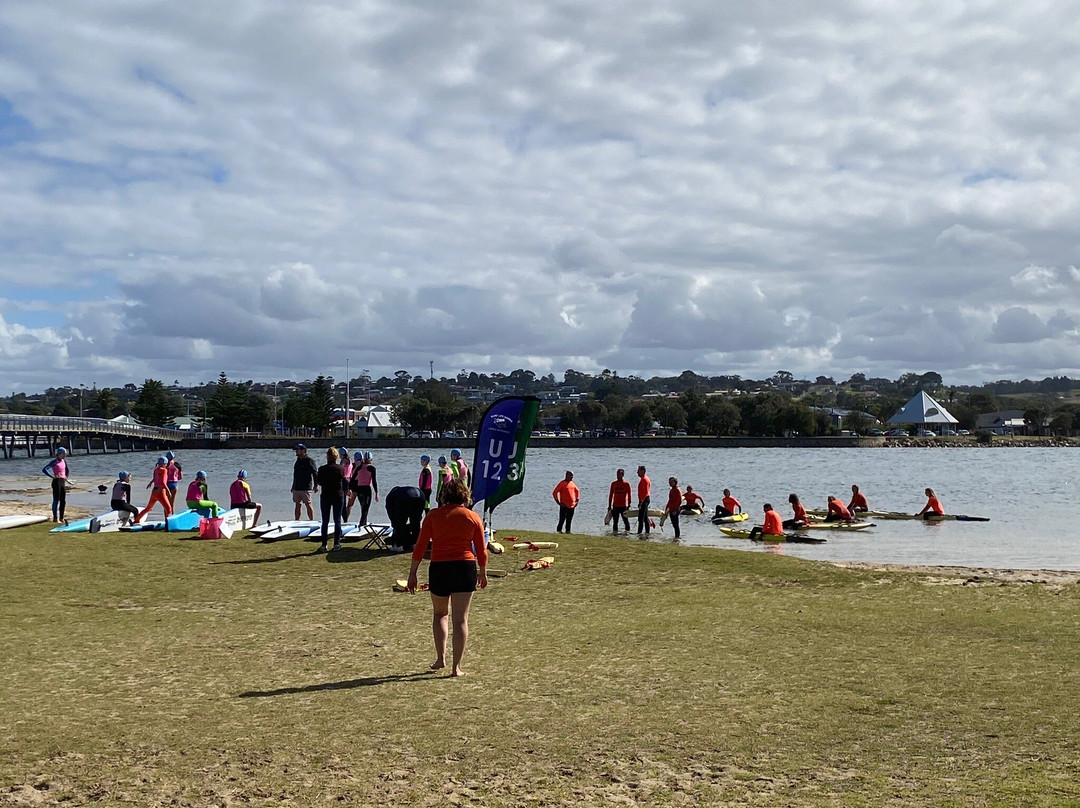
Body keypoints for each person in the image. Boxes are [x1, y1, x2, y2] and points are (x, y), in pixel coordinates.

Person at [407, 479, 488, 678]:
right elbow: (481, 549)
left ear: (444, 495)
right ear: (465, 496)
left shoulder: (433, 516)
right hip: (464, 567)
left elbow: (420, 546)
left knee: (440, 614)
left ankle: (440, 658)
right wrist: (483, 571)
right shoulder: (473, 517)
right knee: (460, 619)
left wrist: (413, 573)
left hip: (440, 568)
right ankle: (456, 667)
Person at [316, 447, 345, 553]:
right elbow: (344, 480)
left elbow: (319, 482)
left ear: (327, 456)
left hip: (326, 495)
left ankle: (324, 545)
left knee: (325, 521)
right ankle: (337, 543)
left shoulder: (322, 469)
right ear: (336, 456)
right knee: (337, 520)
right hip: (338, 495)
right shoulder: (340, 468)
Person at [385, 485, 427, 553]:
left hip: (405, 498)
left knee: (400, 523)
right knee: (415, 523)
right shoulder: (395, 494)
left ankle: (399, 546)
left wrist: (395, 525)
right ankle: (415, 544)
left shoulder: (390, 500)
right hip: (420, 495)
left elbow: (393, 518)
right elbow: (418, 518)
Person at [137, 456, 174, 522]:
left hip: (154, 491)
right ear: (164, 463)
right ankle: (169, 524)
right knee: (169, 509)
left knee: (148, 508)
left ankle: (136, 520)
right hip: (161, 492)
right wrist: (168, 491)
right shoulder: (164, 470)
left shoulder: (156, 469)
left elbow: (156, 478)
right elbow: (163, 482)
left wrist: (150, 483)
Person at [42, 446, 69, 523]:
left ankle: (61, 518)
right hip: (56, 482)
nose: (65, 455)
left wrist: (66, 477)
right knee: (56, 500)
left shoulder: (64, 461)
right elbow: (44, 469)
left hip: (62, 481)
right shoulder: (54, 462)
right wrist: (52, 476)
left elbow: (67, 470)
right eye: (64, 454)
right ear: (59, 454)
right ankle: (55, 518)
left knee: (63, 501)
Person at [291, 443, 318, 520]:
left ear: (303, 451)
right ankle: (296, 520)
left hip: (306, 487)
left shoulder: (309, 461)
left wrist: (316, 485)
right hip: (297, 487)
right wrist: (293, 486)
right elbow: (295, 474)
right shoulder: (297, 461)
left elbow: (315, 473)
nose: (296, 452)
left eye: (298, 450)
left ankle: (311, 520)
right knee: (297, 504)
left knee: (308, 504)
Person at [351, 451, 379, 525]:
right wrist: (376, 493)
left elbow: (352, 479)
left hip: (359, 489)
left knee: (363, 507)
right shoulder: (372, 468)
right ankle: (362, 523)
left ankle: (364, 522)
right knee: (366, 508)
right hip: (367, 489)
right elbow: (374, 481)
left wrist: (349, 489)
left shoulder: (359, 467)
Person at [608, 468, 632, 534]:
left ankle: (627, 533)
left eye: (620, 474)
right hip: (615, 506)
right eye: (617, 474)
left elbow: (629, 495)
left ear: (623, 475)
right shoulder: (613, 484)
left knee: (625, 521)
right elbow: (611, 495)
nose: (618, 475)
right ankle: (615, 534)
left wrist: (629, 504)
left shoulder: (626, 484)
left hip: (623, 506)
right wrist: (609, 506)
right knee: (615, 521)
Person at [635, 465, 651, 535]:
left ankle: (639, 532)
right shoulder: (643, 479)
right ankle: (647, 532)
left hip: (645, 500)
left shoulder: (644, 479)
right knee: (644, 518)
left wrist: (641, 502)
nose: (637, 472)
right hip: (643, 499)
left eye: (638, 471)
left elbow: (645, 492)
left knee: (641, 518)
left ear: (642, 471)